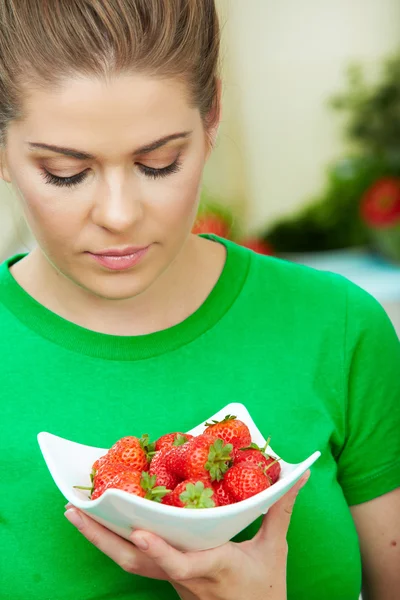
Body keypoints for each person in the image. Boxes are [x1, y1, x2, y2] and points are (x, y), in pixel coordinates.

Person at [0, 1, 399, 599]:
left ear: (211, 113)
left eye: (160, 162)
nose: (118, 215)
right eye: (65, 172)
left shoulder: (338, 327)